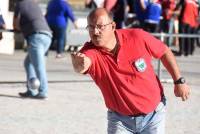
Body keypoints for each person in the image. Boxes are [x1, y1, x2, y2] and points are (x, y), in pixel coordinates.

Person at [71, 8, 190, 134]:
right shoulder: (90, 51)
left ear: (113, 26)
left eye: (100, 26)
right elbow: (84, 63)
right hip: (120, 120)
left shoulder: (137, 36)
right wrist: (79, 64)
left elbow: (164, 51)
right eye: (91, 27)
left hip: (154, 115)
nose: (95, 32)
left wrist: (179, 81)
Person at [13, 0, 52, 99]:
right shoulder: (34, 4)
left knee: (39, 65)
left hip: (36, 36)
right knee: (28, 63)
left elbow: (15, 24)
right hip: (47, 36)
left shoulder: (20, 4)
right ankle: (31, 89)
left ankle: (43, 91)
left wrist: (19, 29)